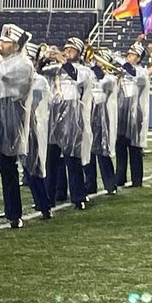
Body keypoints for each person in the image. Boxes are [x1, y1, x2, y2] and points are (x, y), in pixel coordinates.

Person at [0, 23, 34, 229]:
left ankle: (15, 213)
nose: (1, 45)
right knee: (2, 167)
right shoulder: (5, 60)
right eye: (1, 41)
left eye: (6, 42)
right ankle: (9, 209)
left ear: (16, 46)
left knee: (9, 166)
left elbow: (2, 73)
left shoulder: (23, 63)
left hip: (11, 115)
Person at [45, 38, 93, 210]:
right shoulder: (55, 69)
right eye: (65, 49)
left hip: (72, 115)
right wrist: (42, 57)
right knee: (51, 159)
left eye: (71, 50)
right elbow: (38, 74)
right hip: (54, 113)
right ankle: (48, 198)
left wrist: (61, 59)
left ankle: (78, 196)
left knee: (72, 158)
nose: (67, 52)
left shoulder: (84, 70)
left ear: (78, 53)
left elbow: (77, 77)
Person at [115, 38, 152, 187]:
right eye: (128, 54)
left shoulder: (141, 71)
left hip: (134, 113)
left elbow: (133, 73)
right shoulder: (123, 70)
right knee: (120, 146)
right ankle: (120, 177)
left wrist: (119, 60)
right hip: (122, 110)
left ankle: (136, 179)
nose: (128, 57)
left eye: (132, 55)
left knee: (134, 147)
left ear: (138, 58)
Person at [21, 42, 53, 218]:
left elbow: (32, 104)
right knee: (21, 170)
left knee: (33, 167)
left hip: (31, 126)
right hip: (18, 125)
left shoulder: (39, 80)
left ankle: (44, 204)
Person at [85, 51, 118, 196]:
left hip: (102, 117)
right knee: (89, 153)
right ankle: (90, 184)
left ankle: (110, 184)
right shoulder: (91, 73)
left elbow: (104, 83)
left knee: (103, 152)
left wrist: (97, 67)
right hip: (89, 113)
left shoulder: (110, 77)